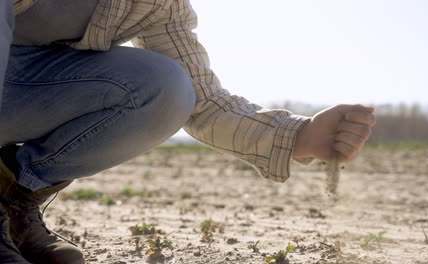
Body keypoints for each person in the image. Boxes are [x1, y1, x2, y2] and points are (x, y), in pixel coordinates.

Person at [0, 0, 376, 263]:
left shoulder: (159, 6)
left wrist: (300, 135)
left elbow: (205, 102)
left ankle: (12, 196)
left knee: (166, 86)